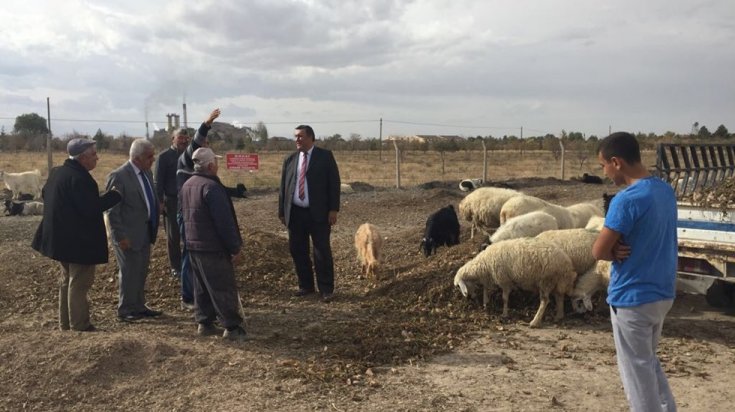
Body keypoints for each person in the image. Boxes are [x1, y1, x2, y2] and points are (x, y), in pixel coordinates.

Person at [592, 132, 677, 412]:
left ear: (616, 162)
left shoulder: (627, 200)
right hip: (661, 293)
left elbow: (598, 251)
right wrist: (615, 249)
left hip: (632, 297)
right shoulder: (664, 190)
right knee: (648, 362)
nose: (604, 173)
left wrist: (611, 251)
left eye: (603, 165)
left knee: (636, 376)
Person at [31, 138, 121, 331]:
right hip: (79, 241)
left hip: (60, 239)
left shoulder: (57, 172)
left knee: (66, 281)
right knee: (79, 283)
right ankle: (80, 325)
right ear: (82, 158)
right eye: (94, 154)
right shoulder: (81, 179)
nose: (97, 158)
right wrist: (114, 196)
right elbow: (91, 208)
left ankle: (65, 323)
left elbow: (49, 195)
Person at [176, 108, 246, 311]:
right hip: (190, 216)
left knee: (196, 258)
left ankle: (201, 306)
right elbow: (196, 144)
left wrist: (235, 192)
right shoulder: (187, 159)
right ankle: (189, 297)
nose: (205, 147)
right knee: (192, 257)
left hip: (198, 214)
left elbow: (214, 191)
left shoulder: (200, 175)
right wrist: (206, 124)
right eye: (203, 145)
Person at [179, 147, 247, 341]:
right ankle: (232, 327)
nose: (217, 165)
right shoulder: (212, 188)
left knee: (201, 287)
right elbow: (224, 222)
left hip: (193, 244)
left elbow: (182, 216)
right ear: (210, 165)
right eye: (215, 162)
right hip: (212, 247)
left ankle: (204, 323)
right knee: (222, 286)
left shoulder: (187, 184)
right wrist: (234, 247)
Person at [278, 124, 341, 302]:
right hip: (296, 213)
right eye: (295, 136)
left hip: (319, 213)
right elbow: (284, 187)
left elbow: (334, 184)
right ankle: (305, 286)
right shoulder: (290, 159)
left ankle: (326, 289)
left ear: (311, 138)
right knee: (298, 251)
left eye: (300, 136)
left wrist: (333, 209)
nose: (297, 139)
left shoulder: (325, 157)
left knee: (321, 251)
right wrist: (282, 211)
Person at [106, 138, 163, 322]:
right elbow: (112, 210)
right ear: (137, 158)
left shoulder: (146, 173)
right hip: (128, 235)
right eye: (149, 157)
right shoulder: (119, 176)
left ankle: (139, 305)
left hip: (145, 232)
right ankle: (126, 309)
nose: (153, 160)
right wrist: (119, 236)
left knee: (140, 270)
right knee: (129, 272)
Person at [155, 128, 189, 279]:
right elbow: (158, 181)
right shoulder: (164, 157)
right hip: (172, 200)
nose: (183, 140)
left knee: (189, 232)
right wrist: (160, 202)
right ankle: (176, 266)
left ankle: (189, 263)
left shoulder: (189, 155)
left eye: (185, 138)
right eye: (180, 138)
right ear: (173, 139)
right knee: (173, 234)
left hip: (188, 199)